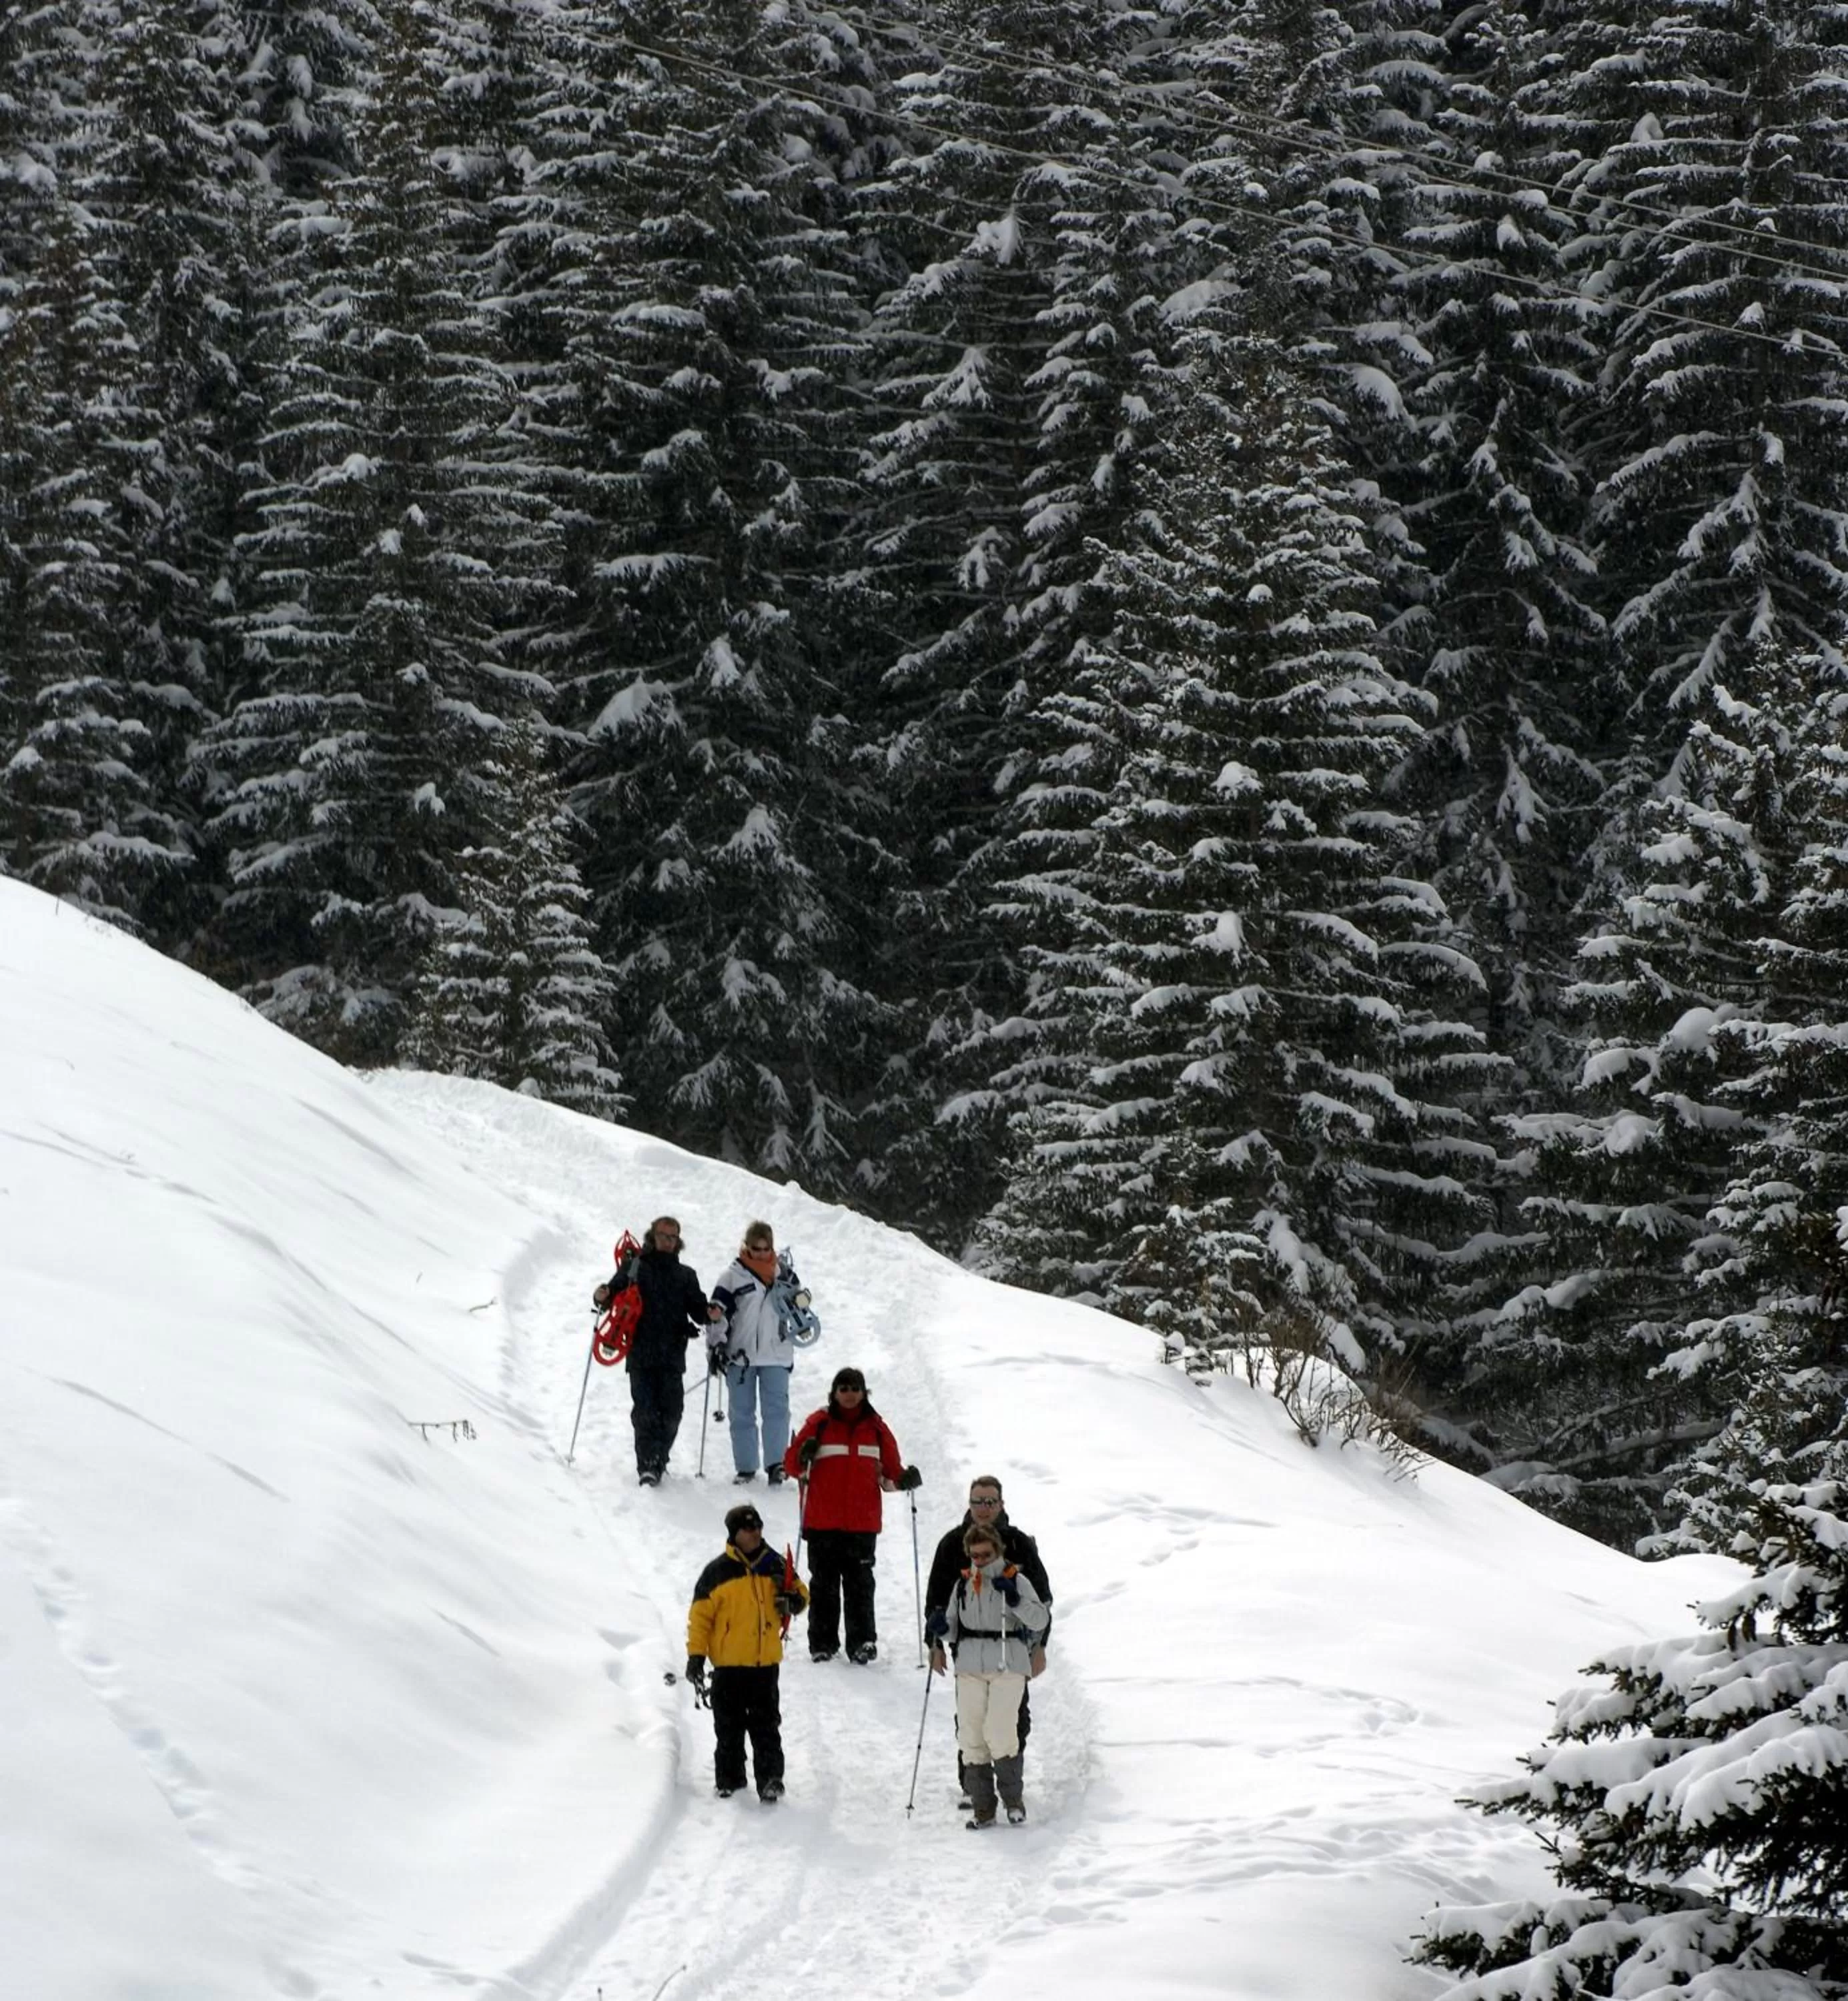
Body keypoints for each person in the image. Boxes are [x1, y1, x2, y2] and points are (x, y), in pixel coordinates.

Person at [924, 1475, 1053, 1804]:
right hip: (967, 1647)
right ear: (969, 1504)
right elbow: (936, 1600)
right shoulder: (952, 1544)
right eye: (977, 1501)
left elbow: (1043, 1602)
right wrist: (934, 1643)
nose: (983, 1508)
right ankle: (974, 1788)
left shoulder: (1019, 1543)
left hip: (1015, 1648)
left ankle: (1010, 1783)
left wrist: (1041, 1647)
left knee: (1013, 1718)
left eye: (989, 1502)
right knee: (970, 1719)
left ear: (1001, 1504)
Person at [783, 1366, 919, 1664]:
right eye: (843, 1389)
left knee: (860, 1585)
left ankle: (862, 1642)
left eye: (854, 1388)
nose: (849, 1394)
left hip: (861, 1524)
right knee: (824, 1585)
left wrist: (906, 1480)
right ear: (834, 1393)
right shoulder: (818, 1424)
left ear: (863, 1392)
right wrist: (804, 1454)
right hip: (822, 1523)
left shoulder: (877, 1429)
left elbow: (890, 1475)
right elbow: (792, 1465)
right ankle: (822, 1643)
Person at [684, 1502, 808, 1802]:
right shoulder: (716, 1573)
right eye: (748, 1528)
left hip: (765, 1664)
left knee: (767, 1726)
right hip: (728, 1667)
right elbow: (700, 1619)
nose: (756, 1533)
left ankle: (770, 1779)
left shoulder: (776, 1565)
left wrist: (794, 1600)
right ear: (734, 1534)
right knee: (729, 1727)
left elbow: (801, 1593)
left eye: (758, 1527)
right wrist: (696, 1657)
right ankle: (730, 1780)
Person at [592, 1216, 712, 1485]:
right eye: (663, 1236)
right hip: (640, 1351)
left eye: (673, 1237)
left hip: (672, 1354)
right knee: (645, 1410)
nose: (668, 1241)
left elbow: (699, 1310)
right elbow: (611, 1294)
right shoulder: (635, 1267)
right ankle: (648, 1465)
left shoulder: (686, 1275)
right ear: (652, 1236)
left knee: (672, 1411)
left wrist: (710, 1313)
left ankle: (659, 1459)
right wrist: (601, 1295)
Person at [707, 1221, 802, 1486]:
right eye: (756, 1249)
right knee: (742, 1412)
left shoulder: (785, 1275)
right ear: (746, 1247)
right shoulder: (732, 1276)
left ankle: (777, 1464)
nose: (761, 1254)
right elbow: (717, 1315)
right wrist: (715, 1345)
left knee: (777, 1411)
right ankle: (746, 1467)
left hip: (776, 1354)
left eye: (766, 1249)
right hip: (741, 1355)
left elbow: (800, 1311)